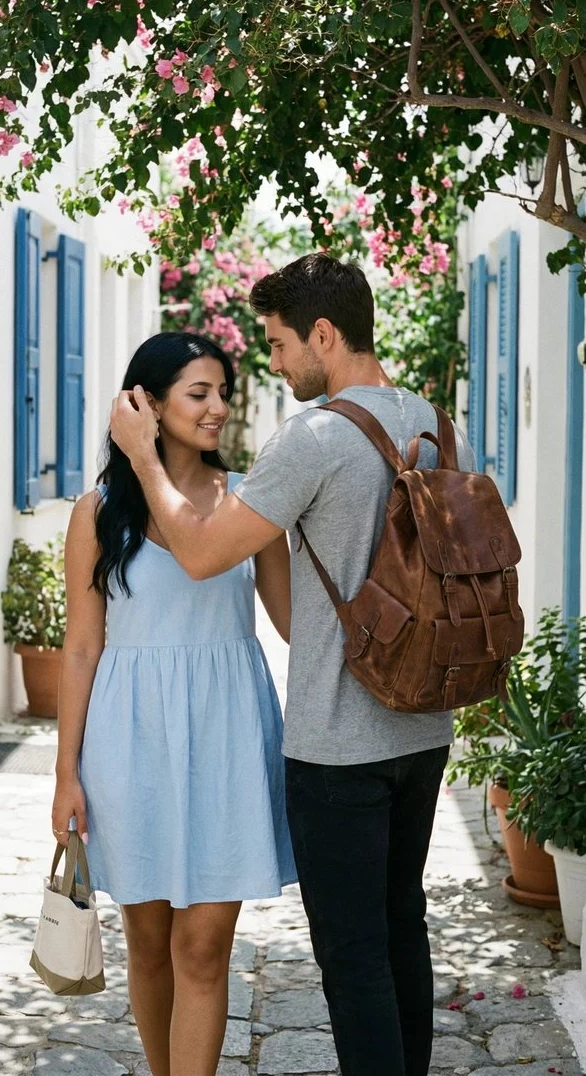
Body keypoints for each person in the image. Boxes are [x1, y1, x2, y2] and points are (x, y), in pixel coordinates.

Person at [109, 253, 477, 1076]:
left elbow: (202, 553)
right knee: (400, 929)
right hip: (423, 725)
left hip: (338, 741)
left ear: (322, 333)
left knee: (353, 958)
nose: (271, 364)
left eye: (277, 344)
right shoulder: (436, 421)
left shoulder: (312, 437)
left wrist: (140, 454)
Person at [51, 332, 296, 1076]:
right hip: (130, 744)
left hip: (226, 737)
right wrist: (66, 772)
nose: (220, 407)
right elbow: (82, 647)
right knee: (149, 944)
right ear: (146, 406)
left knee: (204, 946)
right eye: (200, 393)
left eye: (224, 392)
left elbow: (294, 625)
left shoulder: (248, 501)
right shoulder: (97, 513)